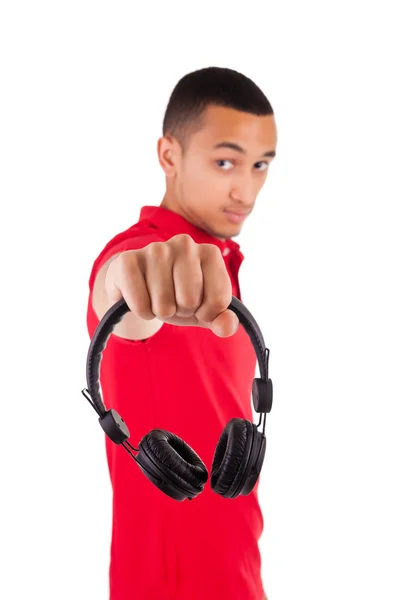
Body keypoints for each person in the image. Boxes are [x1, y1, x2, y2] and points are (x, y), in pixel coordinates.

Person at [86, 66, 278, 600]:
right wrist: (135, 279)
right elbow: (119, 297)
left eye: (260, 165)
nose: (247, 188)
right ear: (169, 156)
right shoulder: (146, 250)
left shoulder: (222, 268)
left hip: (239, 578)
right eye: (224, 162)